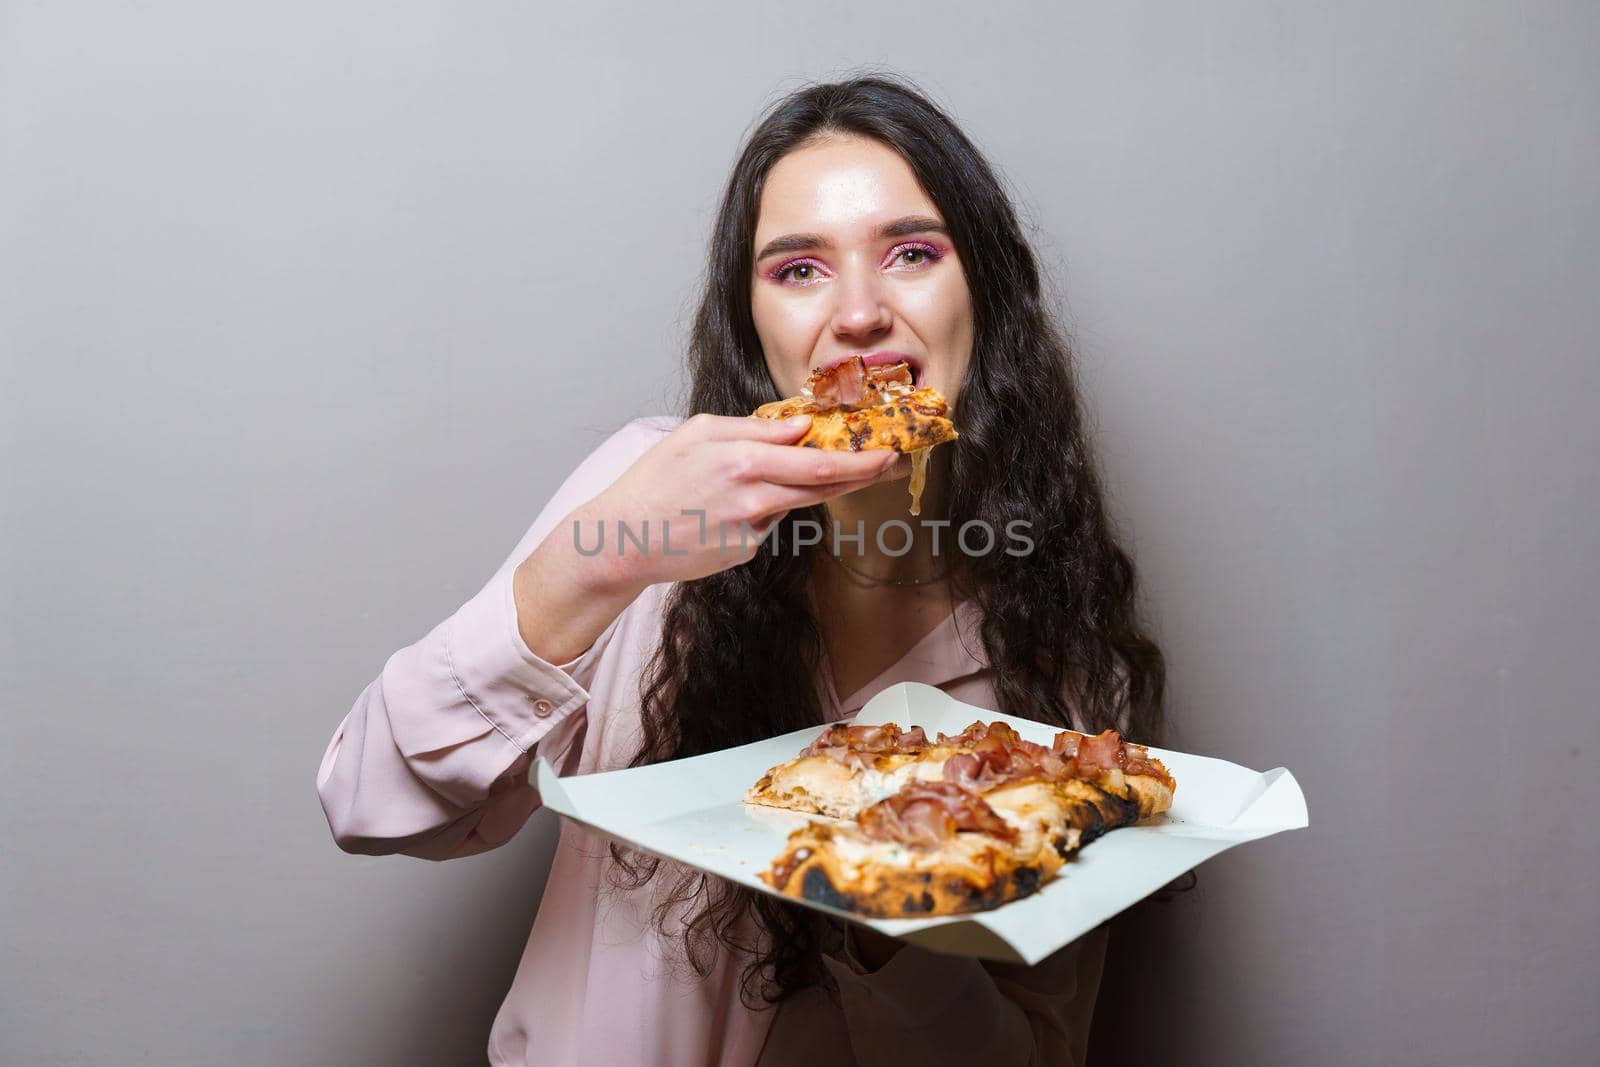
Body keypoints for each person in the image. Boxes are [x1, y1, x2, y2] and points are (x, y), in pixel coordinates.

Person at [316, 74, 1164, 1066]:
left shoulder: (1060, 661)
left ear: (986, 291)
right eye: (798, 269)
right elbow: (372, 805)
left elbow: (1032, 1052)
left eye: (912, 253)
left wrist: (886, 907)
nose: (858, 313)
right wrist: (600, 565)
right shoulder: (642, 488)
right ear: (752, 322)